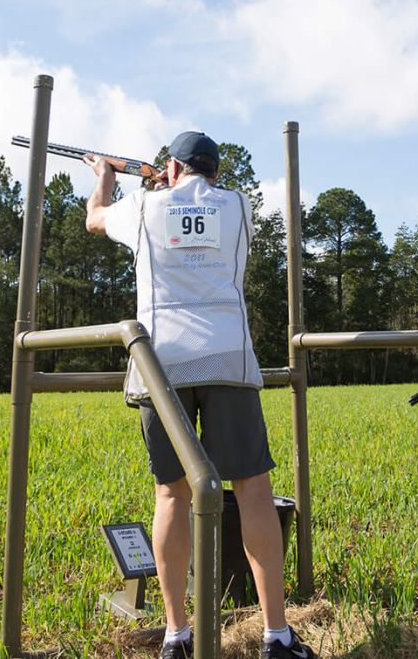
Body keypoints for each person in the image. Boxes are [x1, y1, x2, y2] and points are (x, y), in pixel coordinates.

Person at [86, 131, 317, 659]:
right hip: (227, 358)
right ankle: (277, 635)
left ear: (169, 167)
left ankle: (175, 634)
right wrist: (165, 180)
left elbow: (94, 218)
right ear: (214, 169)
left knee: (171, 494)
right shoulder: (239, 206)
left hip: (160, 362)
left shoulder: (142, 207)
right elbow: (202, 207)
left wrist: (105, 177)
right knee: (254, 492)